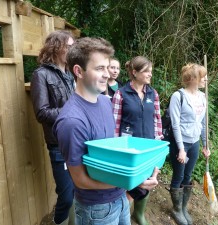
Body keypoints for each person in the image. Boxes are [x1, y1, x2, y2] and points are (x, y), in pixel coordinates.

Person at [52, 37, 159, 225]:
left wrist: (141, 169)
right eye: (99, 68)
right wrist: (132, 181)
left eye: (107, 68)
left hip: (120, 198)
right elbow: (81, 180)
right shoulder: (71, 121)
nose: (107, 74)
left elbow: (111, 153)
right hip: (96, 209)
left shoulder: (104, 102)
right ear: (79, 71)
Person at [30, 30, 76, 225]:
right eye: (69, 46)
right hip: (58, 145)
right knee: (66, 197)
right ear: (56, 47)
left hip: (78, 141)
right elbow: (41, 113)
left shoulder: (72, 74)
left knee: (78, 191)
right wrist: (72, 110)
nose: (73, 50)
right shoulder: (41, 75)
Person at [112, 56, 163, 225]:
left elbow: (157, 119)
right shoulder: (121, 94)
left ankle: (134, 215)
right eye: (146, 71)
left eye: (150, 70)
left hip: (148, 148)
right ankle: (120, 217)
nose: (150, 74)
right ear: (134, 72)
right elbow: (115, 123)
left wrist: (158, 141)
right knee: (131, 185)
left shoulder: (152, 93)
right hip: (129, 151)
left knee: (145, 183)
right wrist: (115, 147)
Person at [168, 63, 211, 225]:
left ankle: (183, 207)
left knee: (188, 175)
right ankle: (176, 209)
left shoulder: (202, 97)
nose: (206, 79)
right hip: (181, 143)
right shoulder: (178, 96)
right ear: (193, 78)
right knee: (179, 175)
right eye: (203, 76)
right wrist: (180, 149)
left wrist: (205, 145)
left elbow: (203, 123)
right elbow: (175, 124)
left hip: (194, 143)